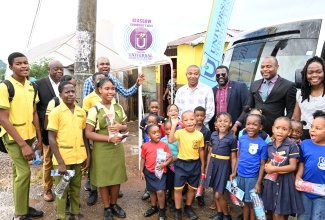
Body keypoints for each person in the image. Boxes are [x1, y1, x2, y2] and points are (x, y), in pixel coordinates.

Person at [0, 52, 43, 219]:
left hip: (29, 134)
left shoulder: (32, 86)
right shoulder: (5, 86)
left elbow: (34, 114)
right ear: (11, 67)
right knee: (24, 173)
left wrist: (38, 138)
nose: (24, 66)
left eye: (25, 62)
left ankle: (23, 206)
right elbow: (3, 118)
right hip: (12, 137)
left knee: (19, 173)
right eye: (18, 63)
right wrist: (24, 145)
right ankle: (20, 214)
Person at [85, 78, 128, 220]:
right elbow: (88, 133)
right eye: (107, 89)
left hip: (116, 147)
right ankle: (107, 207)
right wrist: (108, 138)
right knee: (103, 178)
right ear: (99, 90)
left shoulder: (118, 107)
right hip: (102, 148)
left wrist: (120, 127)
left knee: (116, 177)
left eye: (113, 89)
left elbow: (125, 126)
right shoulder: (94, 109)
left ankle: (114, 204)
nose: (111, 92)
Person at [47, 81, 90, 220]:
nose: (70, 94)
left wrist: (88, 156)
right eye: (67, 92)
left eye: (72, 91)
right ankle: (61, 216)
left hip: (78, 157)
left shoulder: (81, 112)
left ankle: (74, 213)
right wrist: (60, 162)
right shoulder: (56, 113)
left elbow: (84, 136)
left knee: (76, 188)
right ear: (60, 95)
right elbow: (51, 139)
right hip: (62, 159)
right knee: (61, 190)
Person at [232, 56, 297, 136]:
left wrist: (281, 129)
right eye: (262, 67)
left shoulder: (288, 85)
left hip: (275, 131)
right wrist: (237, 124)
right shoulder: (254, 84)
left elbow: (290, 111)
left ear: (277, 67)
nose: (265, 69)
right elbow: (248, 107)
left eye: (268, 66)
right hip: (255, 130)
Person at [262, 117, 304, 219]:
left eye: (284, 129)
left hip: (285, 182)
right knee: (271, 210)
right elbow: (268, 162)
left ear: (289, 132)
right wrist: (267, 167)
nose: (280, 131)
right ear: (273, 129)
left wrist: (273, 169)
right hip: (271, 182)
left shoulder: (291, 146)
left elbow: (293, 166)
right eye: (278, 128)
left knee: (280, 212)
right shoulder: (270, 145)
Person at [35, 60, 64, 202]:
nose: (59, 71)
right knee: (48, 161)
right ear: (48, 69)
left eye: (61, 69)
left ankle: (63, 189)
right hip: (47, 131)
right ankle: (47, 189)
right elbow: (35, 109)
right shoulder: (39, 84)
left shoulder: (65, 83)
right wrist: (39, 136)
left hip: (64, 131)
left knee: (63, 160)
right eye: (55, 69)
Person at [168, 111, 205, 220]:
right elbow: (170, 140)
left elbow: (201, 150)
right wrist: (174, 124)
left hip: (195, 164)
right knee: (178, 189)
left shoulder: (200, 134)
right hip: (181, 164)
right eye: (186, 120)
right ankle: (178, 210)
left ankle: (188, 207)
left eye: (191, 119)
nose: (189, 122)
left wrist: (203, 164)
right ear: (182, 122)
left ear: (196, 120)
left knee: (192, 188)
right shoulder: (180, 133)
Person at [205, 113, 237, 220]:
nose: (222, 123)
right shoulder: (213, 135)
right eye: (220, 121)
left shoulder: (232, 138)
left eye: (226, 121)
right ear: (216, 124)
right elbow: (209, 152)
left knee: (219, 194)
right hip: (213, 164)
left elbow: (233, 157)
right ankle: (219, 215)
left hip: (224, 167)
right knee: (214, 190)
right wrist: (207, 166)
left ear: (230, 124)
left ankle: (227, 216)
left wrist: (233, 172)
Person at [235, 114, 268, 220]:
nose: (251, 127)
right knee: (245, 202)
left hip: (252, 178)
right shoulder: (242, 139)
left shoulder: (262, 144)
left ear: (260, 127)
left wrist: (258, 182)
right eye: (248, 124)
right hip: (241, 176)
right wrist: (234, 172)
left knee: (253, 204)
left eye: (255, 124)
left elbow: (263, 165)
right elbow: (238, 156)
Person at [295, 110, 325, 220]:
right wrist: (298, 177)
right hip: (305, 190)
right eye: (312, 127)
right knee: (303, 216)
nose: (312, 130)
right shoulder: (305, 144)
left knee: (318, 217)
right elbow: (302, 163)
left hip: (322, 194)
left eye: (318, 128)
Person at [140, 124, 172, 220]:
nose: (157, 134)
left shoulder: (164, 145)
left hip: (160, 172)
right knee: (151, 191)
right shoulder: (145, 146)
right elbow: (143, 159)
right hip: (149, 172)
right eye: (154, 133)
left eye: (158, 132)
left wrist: (164, 164)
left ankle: (162, 209)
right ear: (148, 136)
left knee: (160, 191)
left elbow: (170, 157)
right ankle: (154, 207)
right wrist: (141, 171)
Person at [292, 56, 325, 140]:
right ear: (305, 75)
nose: (314, 75)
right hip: (304, 137)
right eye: (310, 72)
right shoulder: (300, 94)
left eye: (318, 72)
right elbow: (296, 118)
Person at [209, 65, 249, 132]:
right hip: (218, 130)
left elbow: (247, 108)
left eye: (223, 74)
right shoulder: (212, 90)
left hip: (235, 128)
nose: (221, 76)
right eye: (218, 75)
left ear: (228, 75)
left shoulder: (240, 87)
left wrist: (237, 124)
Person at [194, 106, 211, 206]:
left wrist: (204, 161)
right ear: (194, 116)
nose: (199, 118)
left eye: (201, 116)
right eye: (197, 115)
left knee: (201, 177)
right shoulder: (190, 128)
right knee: (192, 177)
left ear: (205, 117)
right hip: (191, 156)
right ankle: (190, 195)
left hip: (201, 158)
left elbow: (206, 147)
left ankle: (200, 196)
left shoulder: (206, 131)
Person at [161, 119, 179, 212]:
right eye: (167, 129)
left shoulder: (177, 140)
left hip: (174, 166)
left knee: (173, 185)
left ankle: (173, 201)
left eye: (171, 129)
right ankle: (162, 202)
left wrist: (171, 160)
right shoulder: (162, 140)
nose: (168, 131)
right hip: (165, 166)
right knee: (164, 183)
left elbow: (179, 154)